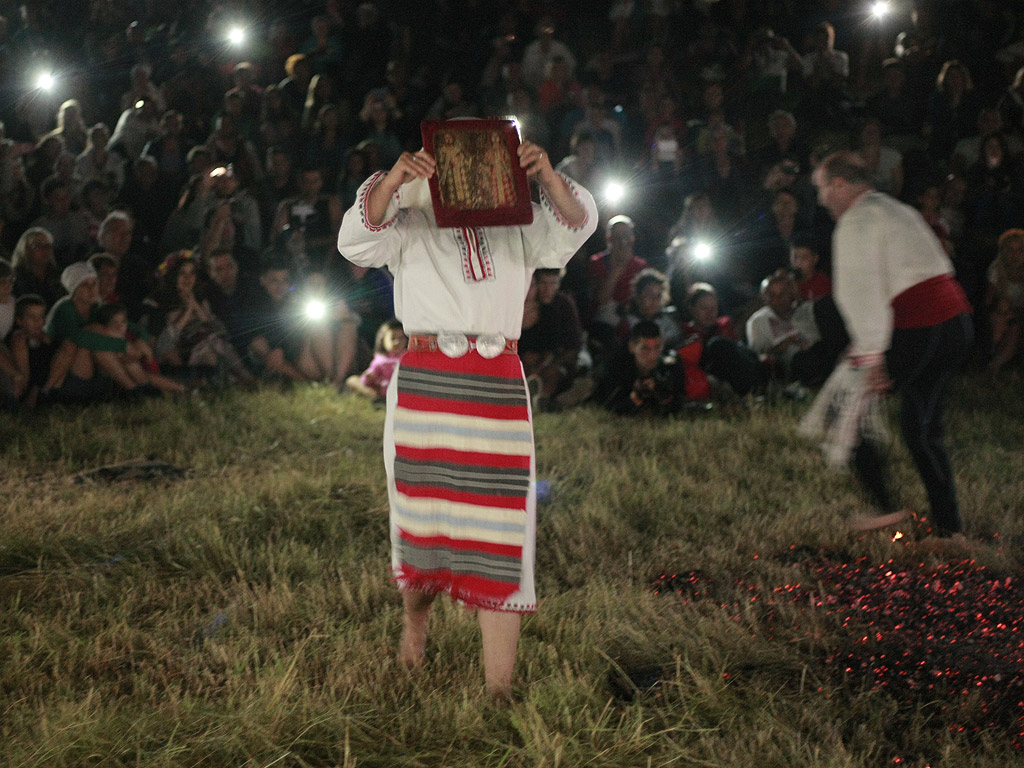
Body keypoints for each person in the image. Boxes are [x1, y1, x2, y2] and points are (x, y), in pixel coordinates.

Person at [337, 135, 596, 698]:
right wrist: (393, 180)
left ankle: (498, 690)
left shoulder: (517, 217)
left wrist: (548, 176)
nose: (464, 167)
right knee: (422, 522)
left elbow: (575, 229)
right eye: (452, 156)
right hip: (426, 380)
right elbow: (355, 241)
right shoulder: (410, 210)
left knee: (501, 529)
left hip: (495, 380)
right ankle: (416, 622)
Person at [812, 151, 973, 537]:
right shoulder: (897, 209)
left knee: (845, 406)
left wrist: (871, 357)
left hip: (921, 326)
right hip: (956, 323)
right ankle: (949, 527)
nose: (820, 200)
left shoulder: (855, 222)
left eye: (821, 189)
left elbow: (859, 294)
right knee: (921, 430)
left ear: (839, 184)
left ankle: (884, 509)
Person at [986, 229, 1024, 375]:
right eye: (1010, 250)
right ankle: (992, 357)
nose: (1015, 255)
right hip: (1001, 314)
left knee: (1015, 326)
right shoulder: (996, 269)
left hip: (1019, 315)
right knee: (1001, 320)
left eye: (1020, 250)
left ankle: (997, 361)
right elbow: (988, 301)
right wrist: (1000, 304)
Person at [345, 318, 407, 400]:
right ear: (383, 340)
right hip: (383, 388)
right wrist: (368, 377)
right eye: (392, 338)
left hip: (402, 389)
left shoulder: (409, 357)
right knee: (352, 380)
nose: (397, 342)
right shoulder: (380, 360)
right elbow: (370, 376)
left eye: (401, 339)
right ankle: (376, 398)